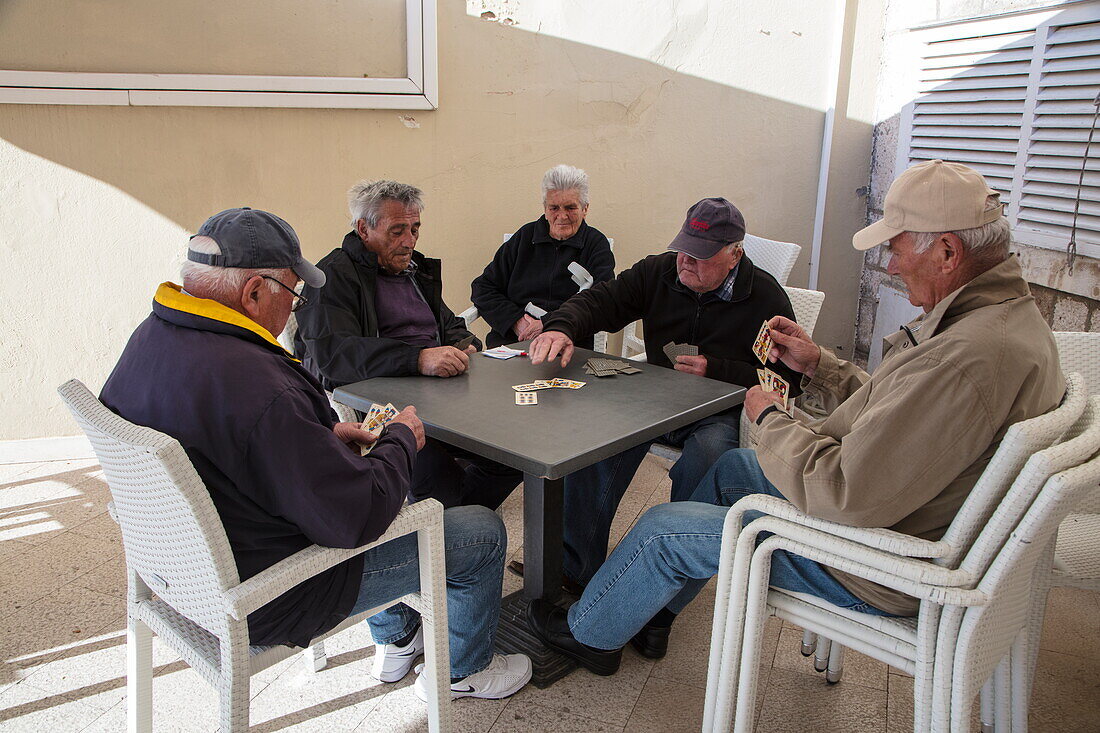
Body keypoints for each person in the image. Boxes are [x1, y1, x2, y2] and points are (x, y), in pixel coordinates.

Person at [524, 160, 1065, 672]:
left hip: (877, 557)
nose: (892, 266)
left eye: (898, 249)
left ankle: (591, 635)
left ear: (947, 251)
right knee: (734, 468)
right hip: (902, 516)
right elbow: (898, 408)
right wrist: (824, 367)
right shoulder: (1000, 324)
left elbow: (844, 491)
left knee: (665, 527)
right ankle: (634, 599)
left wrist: (767, 415)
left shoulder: (967, 356)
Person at [100, 208, 531, 701]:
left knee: (394, 492)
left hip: (183, 572)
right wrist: (398, 440)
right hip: (271, 595)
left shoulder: (148, 338)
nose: (292, 309)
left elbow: (243, 449)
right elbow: (356, 520)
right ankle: (463, 671)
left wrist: (319, 440)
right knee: (477, 531)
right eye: (292, 292)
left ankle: (397, 640)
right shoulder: (260, 386)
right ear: (254, 292)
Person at [520, 197, 800, 593]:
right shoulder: (658, 272)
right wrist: (561, 326)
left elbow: (788, 380)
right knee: (592, 443)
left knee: (709, 459)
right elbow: (600, 301)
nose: (685, 261)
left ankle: (665, 597)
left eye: (700, 255)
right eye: (683, 248)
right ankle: (575, 571)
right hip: (652, 400)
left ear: (734, 254)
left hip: (715, 410)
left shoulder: (766, 299)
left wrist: (718, 369)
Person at [294, 180, 521, 510]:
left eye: (415, 229)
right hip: (380, 411)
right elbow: (334, 357)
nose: (409, 241)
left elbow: (447, 323)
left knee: (512, 455)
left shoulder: (413, 270)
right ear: (363, 229)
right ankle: (457, 530)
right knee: (442, 487)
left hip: (443, 398)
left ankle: (461, 528)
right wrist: (419, 359)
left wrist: (464, 344)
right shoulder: (333, 276)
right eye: (397, 230)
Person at [470, 164, 615, 348]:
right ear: (545, 208)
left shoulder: (596, 245)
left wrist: (550, 323)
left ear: (585, 208)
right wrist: (517, 322)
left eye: (570, 207)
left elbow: (603, 300)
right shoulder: (524, 238)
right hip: (513, 344)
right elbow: (483, 287)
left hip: (569, 346)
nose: (562, 216)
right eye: (554, 208)